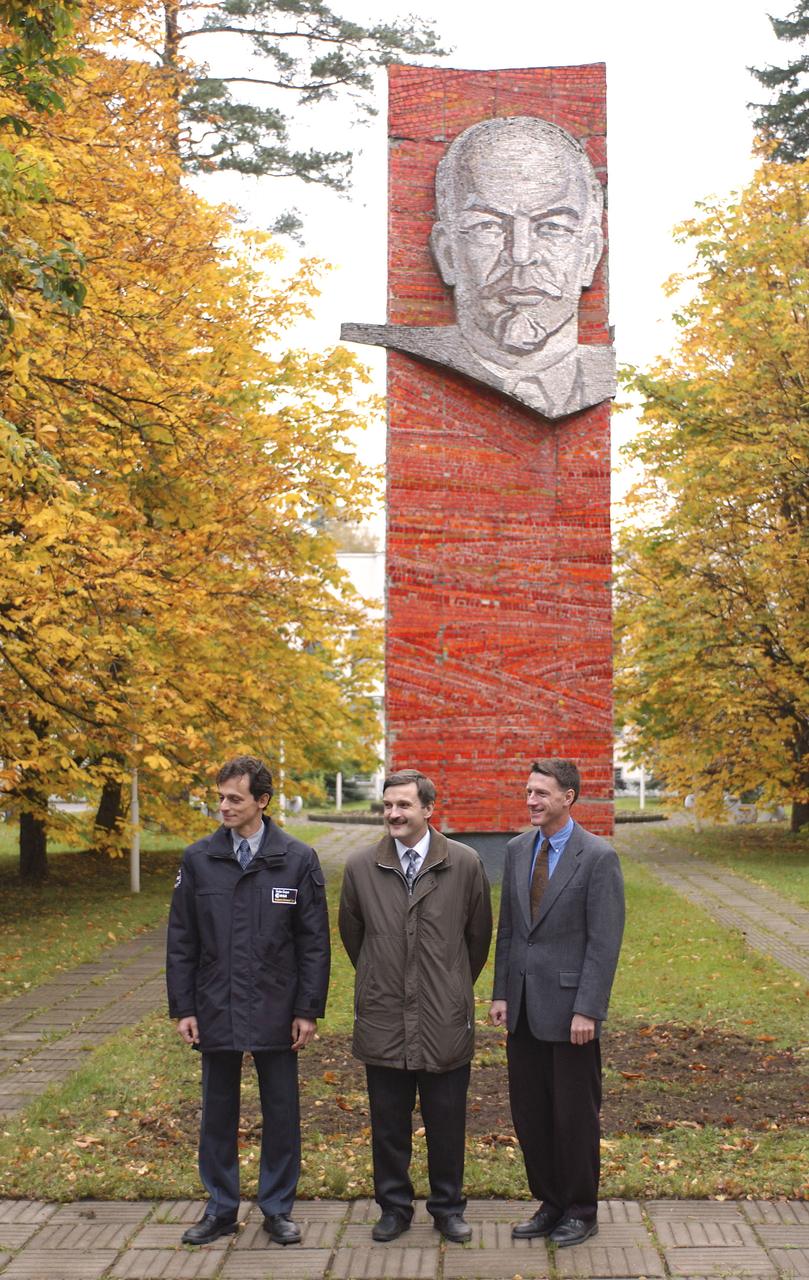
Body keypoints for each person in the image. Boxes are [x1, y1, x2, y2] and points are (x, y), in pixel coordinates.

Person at [342, 115, 615, 420]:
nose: (520, 254)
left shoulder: (603, 374)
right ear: (447, 254)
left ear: (590, 255)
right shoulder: (423, 363)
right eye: (488, 226)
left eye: (552, 227)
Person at [166, 755, 330, 1247]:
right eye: (220, 797)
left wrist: (307, 1008)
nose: (224, 806)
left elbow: (314, 943)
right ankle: (220, 1208)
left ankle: (277, 1208)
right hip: (215, 1003)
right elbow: (182, 941)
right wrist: (184, 1007)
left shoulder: (297, 859)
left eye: (235, 798)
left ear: (262, 801)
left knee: (281, 1110)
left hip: (277, 1006)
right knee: (218, 1110)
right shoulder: (199, 859)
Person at [339, 769, 492, 1244]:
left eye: (404, 805)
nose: (393, 814)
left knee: (447, 1120)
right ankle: (394, 1207)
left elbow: (478, 939)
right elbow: (353, 936)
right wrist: (382, 976)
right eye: (387, 806)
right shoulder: (361, 867)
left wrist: (447, 986)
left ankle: (448, 1208)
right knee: (388, 1122)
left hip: (443, 1017)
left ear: (428, 809)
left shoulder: (465, 863)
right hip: (383, 1012)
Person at [490, 759, 624, 1247]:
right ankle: (550, 1202)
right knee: (531, 1113)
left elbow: (604, 942)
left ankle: (581, 1209)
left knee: (573, 1115)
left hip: (572, 1014)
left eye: (541, 793)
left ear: (568, 796)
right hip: (523, 1009)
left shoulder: (597, 856)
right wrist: (502, 992)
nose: (531, 800)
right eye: (528, 791)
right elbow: (509, 929)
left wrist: (588, 1008)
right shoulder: (516, 849)